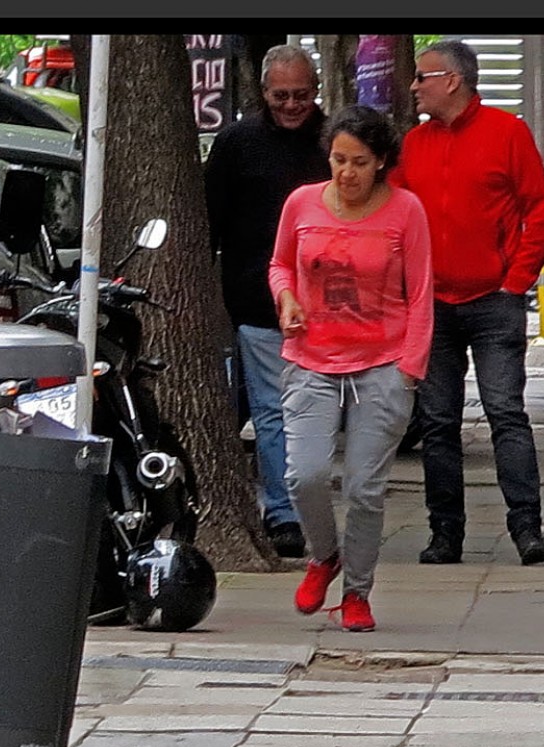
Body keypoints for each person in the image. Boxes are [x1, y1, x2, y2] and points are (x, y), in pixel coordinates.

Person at [388, 39, 544, 567]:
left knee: (506, 412)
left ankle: (527, 528)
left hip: (493, 301)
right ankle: (445, 535)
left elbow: (537, 212)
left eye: (422, 76)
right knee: (438, 422)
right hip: (433, 304)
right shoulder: (413, 145)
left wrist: (516, 280)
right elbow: (391, 214)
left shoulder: (507, 134)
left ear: (452, 81)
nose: (414, 85)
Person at [268, 105, 433, 632]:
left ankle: (357, 592)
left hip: (382, 363)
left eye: (359, 162)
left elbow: (422, 292)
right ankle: (324, 556)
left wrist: (410, 367)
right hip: (311, 359)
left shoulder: (406, 210)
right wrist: (287, 297)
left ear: (381, 161)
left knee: (364, 487)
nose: (347, 173)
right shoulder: (301, 204)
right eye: (339, 160)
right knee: (305, 475)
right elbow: (278, 264)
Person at [205, 43, 332, 559]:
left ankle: (299, 504)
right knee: (273, 411)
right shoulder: (236, 143)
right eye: (281, 96)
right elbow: (211, 218)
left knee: (313, 413)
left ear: (316, 91)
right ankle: (283, 513)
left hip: (326, 302)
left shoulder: (333, 139)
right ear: (263, 93)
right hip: (258, 301)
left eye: (301, 95)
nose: (292, 105)